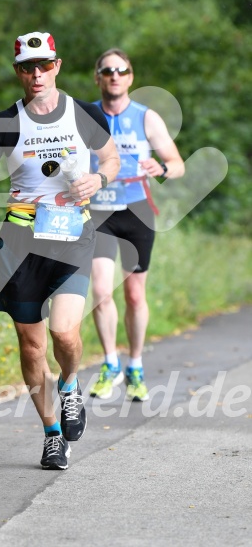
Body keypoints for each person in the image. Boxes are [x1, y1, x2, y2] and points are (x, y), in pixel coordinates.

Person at [0, 32, 120, 470]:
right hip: (20, 239)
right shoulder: (5, 121)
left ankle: (70, 383)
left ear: (57, 67)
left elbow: (111, 159)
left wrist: (99, 180)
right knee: (31, 348)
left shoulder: (82, 114)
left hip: (72, 235)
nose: (36, 74)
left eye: (44, 65)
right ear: (18, 72)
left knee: (64, 333)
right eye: (28, 67)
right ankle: (52, 436)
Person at [89, 48, 185, 402]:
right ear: (97, 77)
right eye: (108, 70)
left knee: (133, 294)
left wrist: (162, 169)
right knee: (100, 290)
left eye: (122, 70)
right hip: (98, 211)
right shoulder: (85, 116)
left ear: (130, 77)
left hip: (136, 210)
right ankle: (110, 363)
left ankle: (135, 365)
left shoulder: (146, 118)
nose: (115, 75)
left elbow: (177, 163)